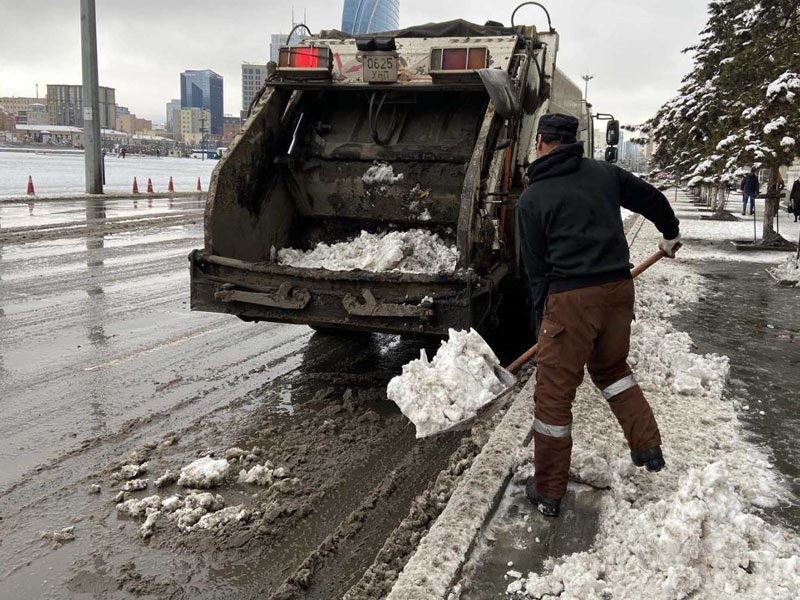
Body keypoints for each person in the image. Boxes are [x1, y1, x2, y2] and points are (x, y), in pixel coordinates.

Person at [518, 113, 681, 518]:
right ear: (572, 141)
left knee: (554, 395)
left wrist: (545, 320)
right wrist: (670, 232)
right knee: (612, 370)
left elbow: (536, 271)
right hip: (618, 292)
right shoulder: (605, 173)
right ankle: (647, 445)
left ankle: (548, 490)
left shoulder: (533, 198)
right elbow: (653, 199)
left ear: (539, 142)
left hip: (572, 301)